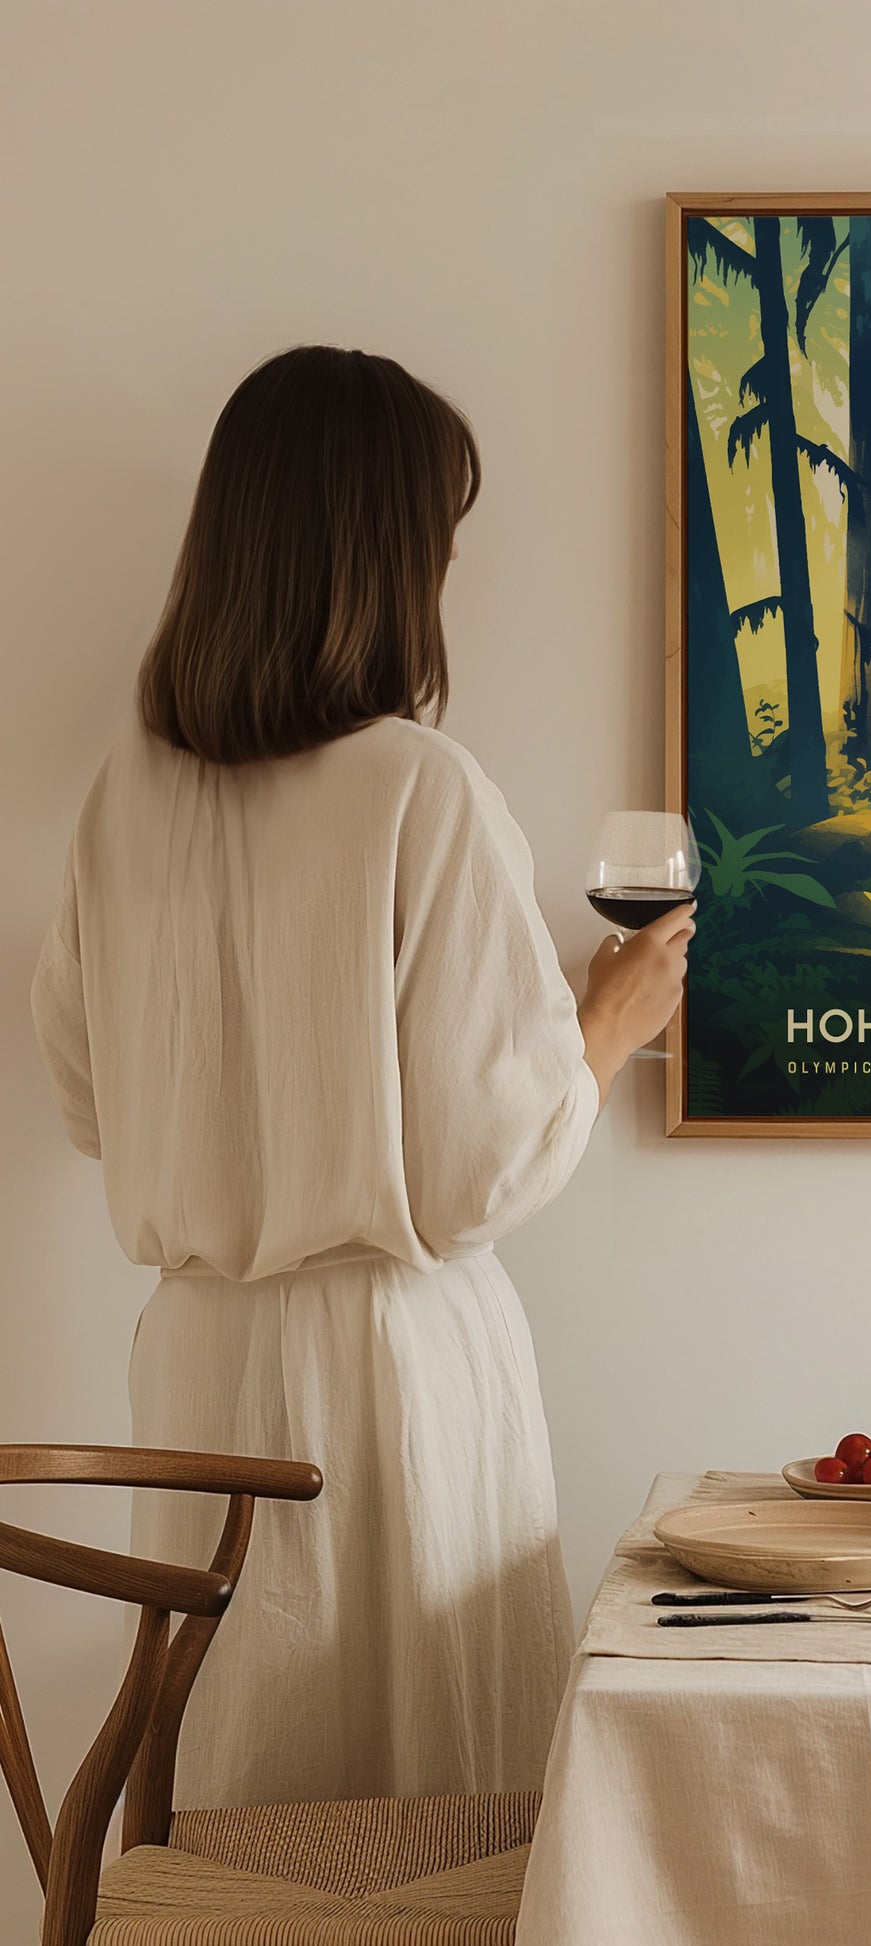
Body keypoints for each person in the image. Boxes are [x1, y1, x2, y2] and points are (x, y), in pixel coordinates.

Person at [29, 345, 690, 1806]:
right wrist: (606, 1020)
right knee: (423, 1811)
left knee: (241, 1792)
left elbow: (87, 1100)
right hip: (390, 1374)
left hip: (198, 1362)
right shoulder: (417, 785)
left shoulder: (122, 798)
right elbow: (473, 1173)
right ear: (387, 556)